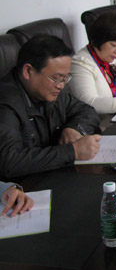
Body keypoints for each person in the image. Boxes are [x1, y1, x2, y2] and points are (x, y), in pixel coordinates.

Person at [0, 35, 101, 179]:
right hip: (24, 186)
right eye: (55, 78)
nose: (61, 85)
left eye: (65, 78)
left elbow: (87, 111)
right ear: (28, 71)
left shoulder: (50, 90)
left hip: (51, 174)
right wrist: (72, 151)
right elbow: (9, 162)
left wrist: (73, 128)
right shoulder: (5, 103)